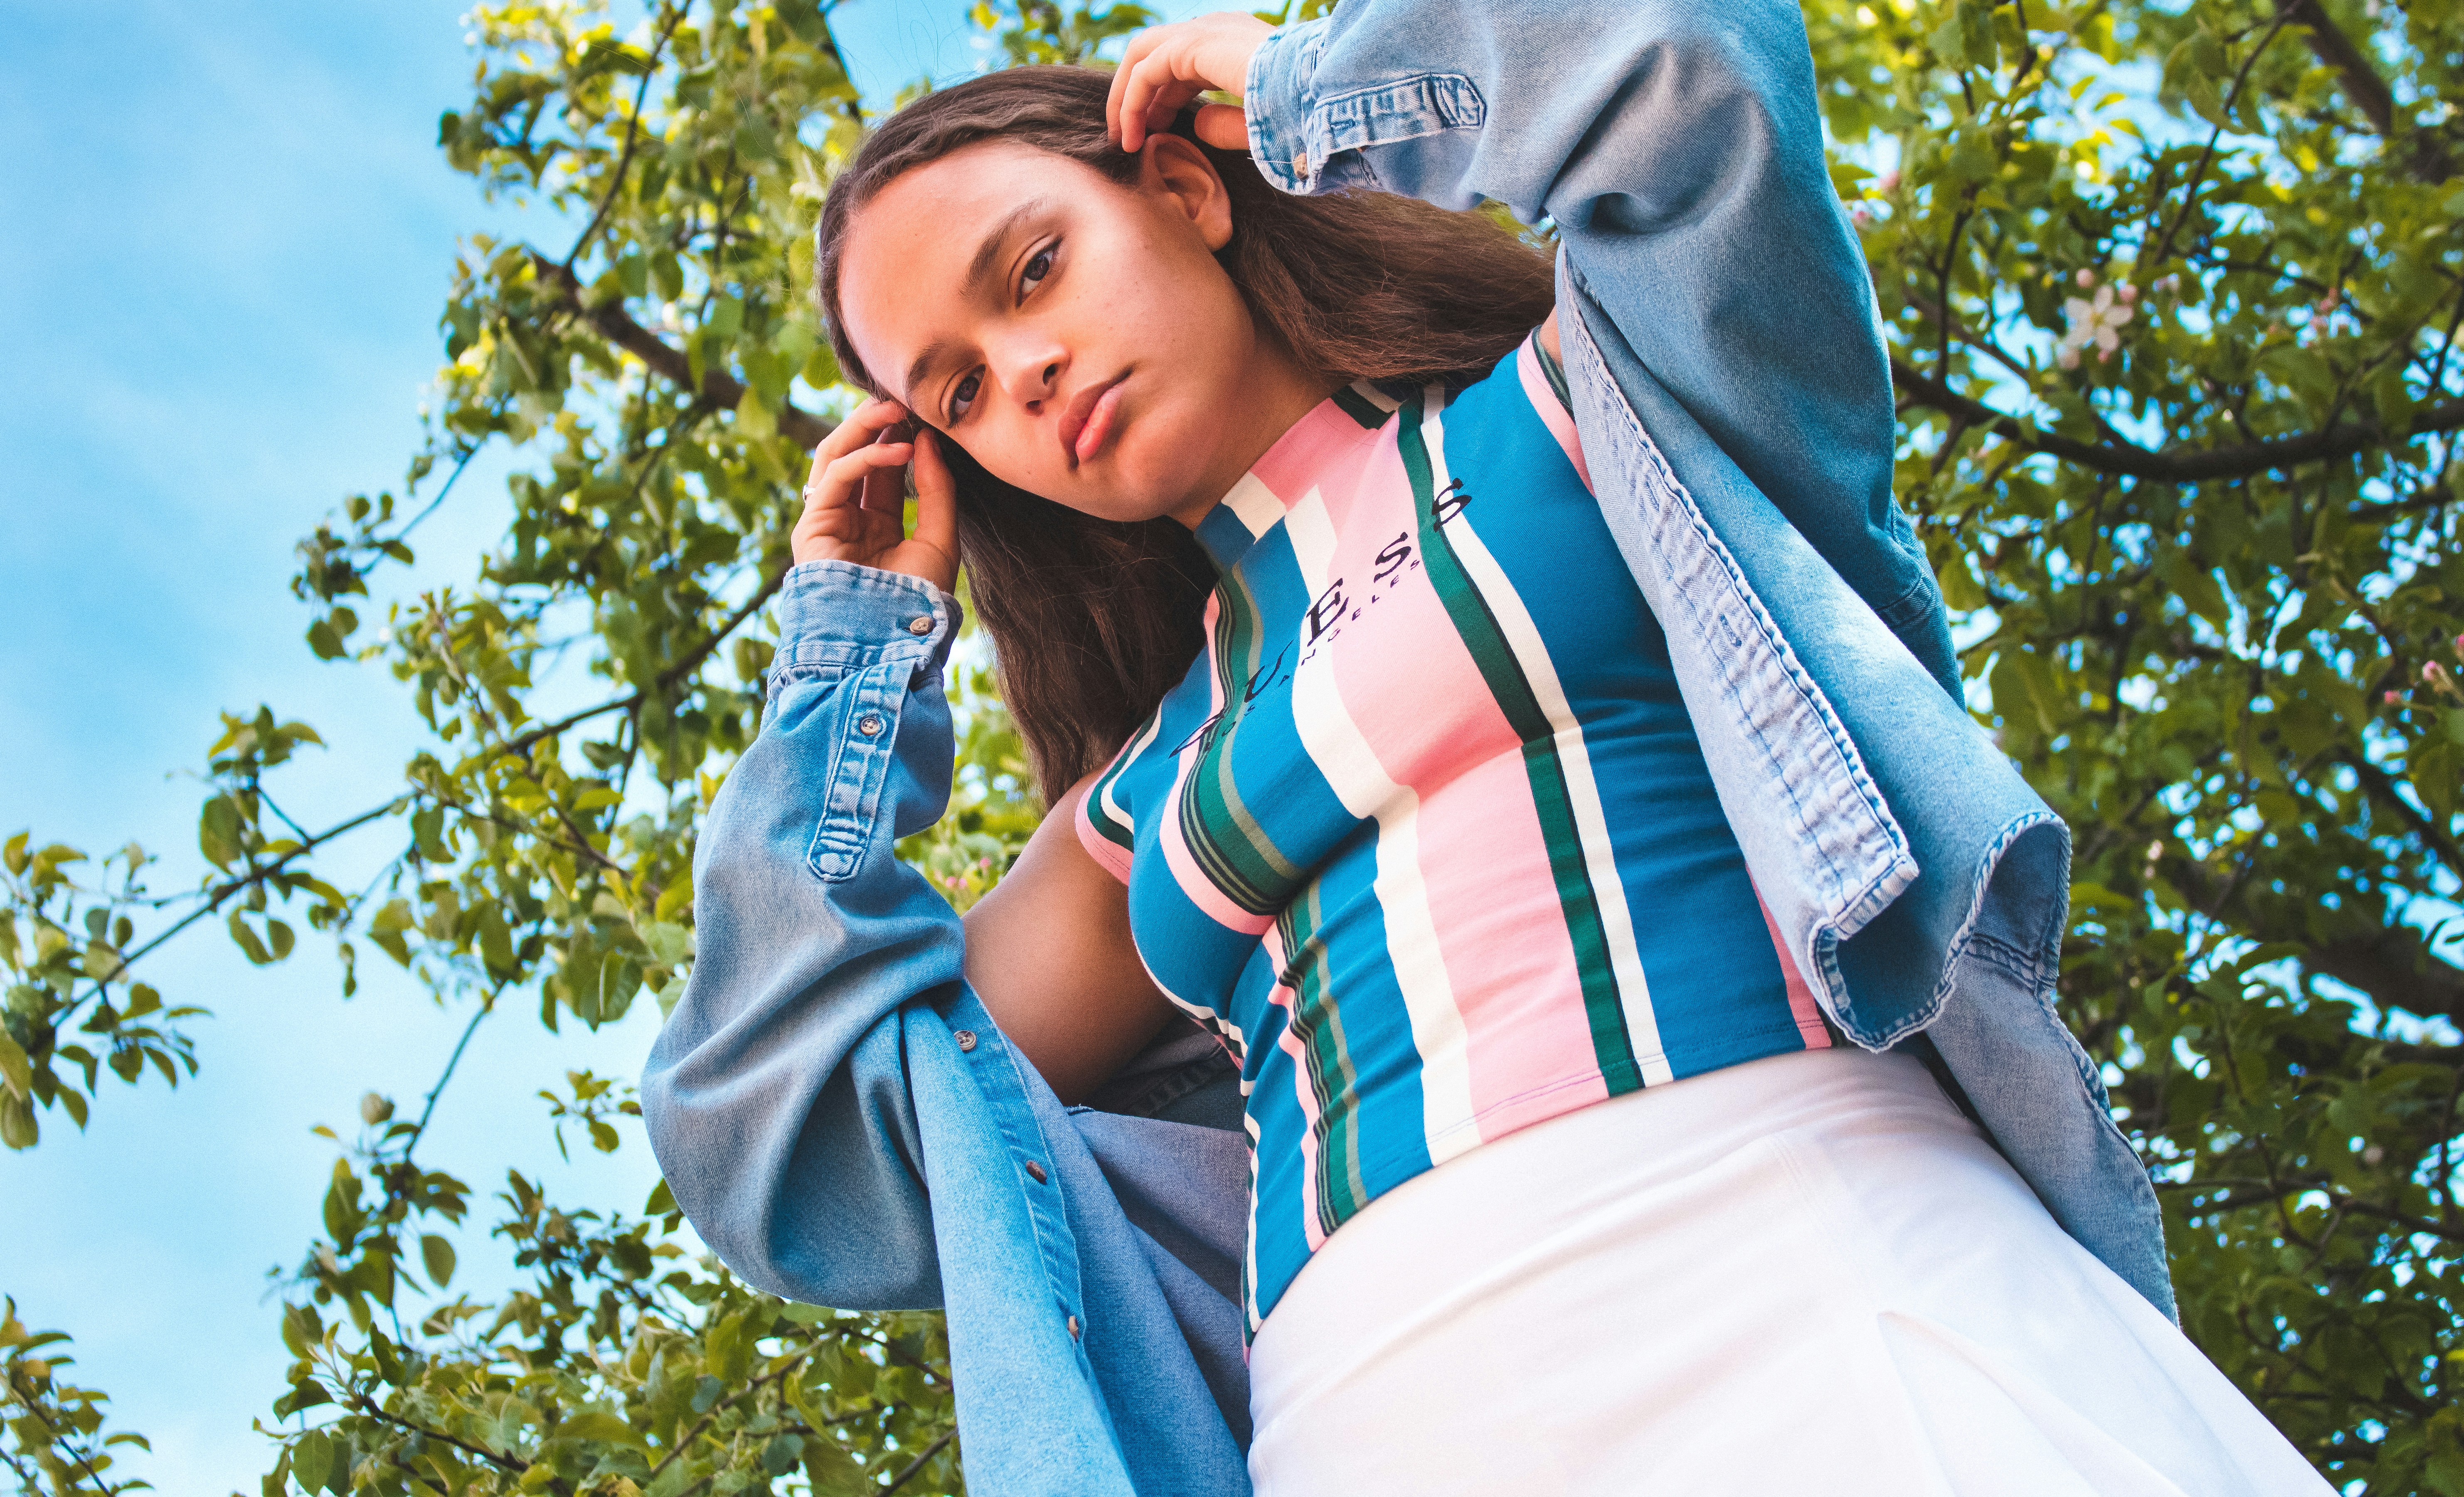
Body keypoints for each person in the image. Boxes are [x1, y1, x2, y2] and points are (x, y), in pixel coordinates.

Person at [643, 3, 2335, 1493]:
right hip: (1375, 1408)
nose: (1028, 372)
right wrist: (852, 653)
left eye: (1032, 270)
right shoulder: (1148, 797)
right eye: (957, 394)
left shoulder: (1603, 402)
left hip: (1814, 1237)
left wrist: (1318, 89)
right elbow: (799, 1150)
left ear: (1178, 187)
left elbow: (1691, 60)